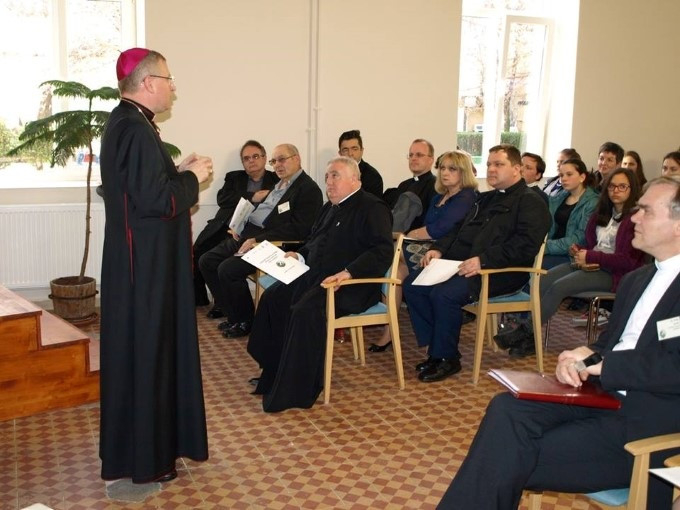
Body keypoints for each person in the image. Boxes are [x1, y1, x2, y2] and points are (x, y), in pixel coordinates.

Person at [438, 176, 680, 510]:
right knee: (507, 409)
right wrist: (585, 355)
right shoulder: (638, 279)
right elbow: (613, 343)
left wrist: (606, 365)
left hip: (649, 422)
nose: (634, 217)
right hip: (604, 396)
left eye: (646, 211)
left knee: (505, 454)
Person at [99, 48, 210, 483]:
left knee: (144, 356)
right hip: (146, 271)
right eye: (168, 78)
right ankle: (150, 458)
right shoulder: (135, 128)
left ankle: (144, 451)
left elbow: (140, 189)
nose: (173, 86)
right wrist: (192, 178)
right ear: (147, 83)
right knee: (151, 356)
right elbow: (157, 201)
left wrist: (177, 170)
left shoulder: (127, 122)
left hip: (139, 264)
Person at [246, 156, 393, 412]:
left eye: (335, 176)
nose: (329, 182)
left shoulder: (372, 207)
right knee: (273, 298)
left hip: (352, 285)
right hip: (317, 277)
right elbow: (314, 242)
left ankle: (297, 388)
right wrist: (299, 255)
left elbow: (382, 251)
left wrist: (349, 272)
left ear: (355, 180)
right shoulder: (329, 208)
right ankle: (275, 371)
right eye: (327, 177)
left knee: (305, 310)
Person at [402, 144, 551, 382]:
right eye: (489, 164)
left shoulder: (530, 202)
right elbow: (458, 229)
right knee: (413, 285)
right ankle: (436, 349)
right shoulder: (486, 198)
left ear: (516, 169)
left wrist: (484, 260)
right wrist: (438, 249)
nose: (491, 169)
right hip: (466, 264)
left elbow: (524, 246)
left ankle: (447, 358)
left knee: (444, 294)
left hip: (502, 271)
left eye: (499, 164)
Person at [497, 167, 646, 357]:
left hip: (614, 273)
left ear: (632, 189)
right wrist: (578, 250)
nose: (616, 191)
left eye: (622, 186)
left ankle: (525, 332)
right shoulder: (602, 213)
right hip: (590, 264)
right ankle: (528, 337)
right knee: (542, 280)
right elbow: (591, 244)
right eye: (612, 186)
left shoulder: (635, 220)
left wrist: (590, 256)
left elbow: (628, 261)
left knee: (559, 287)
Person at [199, 143, 323, 338]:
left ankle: (246, 321)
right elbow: (263, 212)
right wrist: (240, 225)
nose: (277, 165)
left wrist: (257, 239)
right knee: (207, 261)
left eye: (282, 159)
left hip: (275, 244)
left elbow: (300, 229)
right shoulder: (279, 185)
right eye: (275, 161)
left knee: (228, 269)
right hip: (250, 235)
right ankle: (232, 314)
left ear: (297, 159)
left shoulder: (308, 189)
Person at [369, 150, 478, 352]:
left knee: (389, 256)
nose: (445, 173)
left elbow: (442, 228)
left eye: (452, 169)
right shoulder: (439, 196)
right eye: (442, 168)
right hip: (428, 247)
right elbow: (428, 227)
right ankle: (390, 330)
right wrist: (411, 236)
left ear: (463, 171)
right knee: (395, 272)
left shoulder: (466, 196)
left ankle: (385, 319)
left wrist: (410, 235)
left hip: (449, 251)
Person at [193, 140, 278, 312]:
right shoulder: (234, 177)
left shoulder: (276, 180)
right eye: (246, 158)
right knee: (199, 250)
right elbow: (223, 199)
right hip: (224, 227)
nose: (251, 161)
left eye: (255, 156)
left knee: (223, 262)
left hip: (251, 232)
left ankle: (225, 304)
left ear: (264, 158)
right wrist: (252, 196)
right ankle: (208, 300)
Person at [542, 158, 599, 269]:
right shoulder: (558, 197)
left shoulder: (593, 202)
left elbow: (581, 238)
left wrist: (546, 246)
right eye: (561, 175)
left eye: (569, 174)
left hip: (571, 255)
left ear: (582, 177)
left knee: (536, 269)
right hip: (551, 248)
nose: (563, 179)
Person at [383, 139, 437, 231]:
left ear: (431, 160)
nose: (413, 158)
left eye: (419, 155)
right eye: (411, 155)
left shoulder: (436, 185)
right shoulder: (404, 185)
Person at [338, 129, 383, 198]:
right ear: (340, 153)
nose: (350, 154)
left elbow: (373, 203)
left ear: (361, 151)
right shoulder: (335, 175)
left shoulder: (372, 177)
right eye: (345, 150)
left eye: (354, 149)